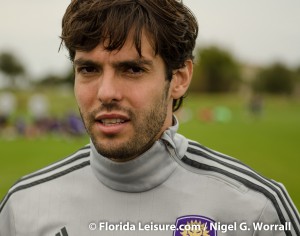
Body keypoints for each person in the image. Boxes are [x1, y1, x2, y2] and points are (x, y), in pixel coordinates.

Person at [0, 0, 299, 235]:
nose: (106, 92)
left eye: (132, 69)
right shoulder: (23, 208)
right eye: (88, 69)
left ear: (179, 78)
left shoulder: (256, 208)